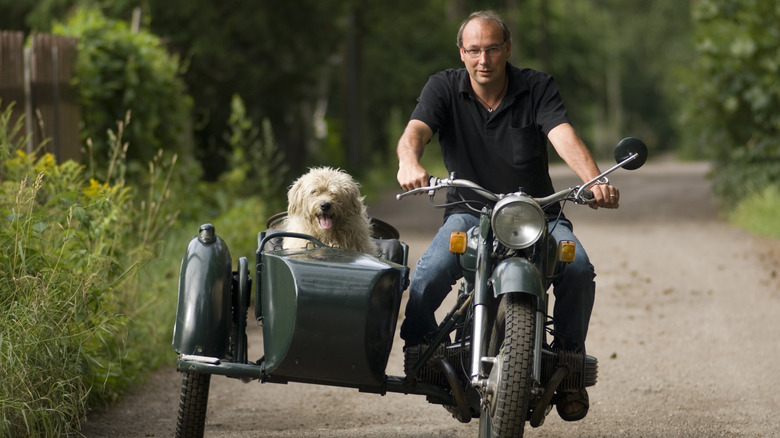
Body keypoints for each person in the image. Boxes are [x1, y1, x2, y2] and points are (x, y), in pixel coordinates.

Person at [396, 10, 620, 422]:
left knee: (579, 269)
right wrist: (409, 162)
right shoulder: (443, 87)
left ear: (507, 49)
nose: (484, 59)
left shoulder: (536, 86)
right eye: (475, 50)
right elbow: (416, 132)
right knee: (429, 272)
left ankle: (568, 367)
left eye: (493, 48)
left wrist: (592, 180)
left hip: (538, 214)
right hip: (469, 212)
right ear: (462, 53)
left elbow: (562, 132)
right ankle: (422, 352)